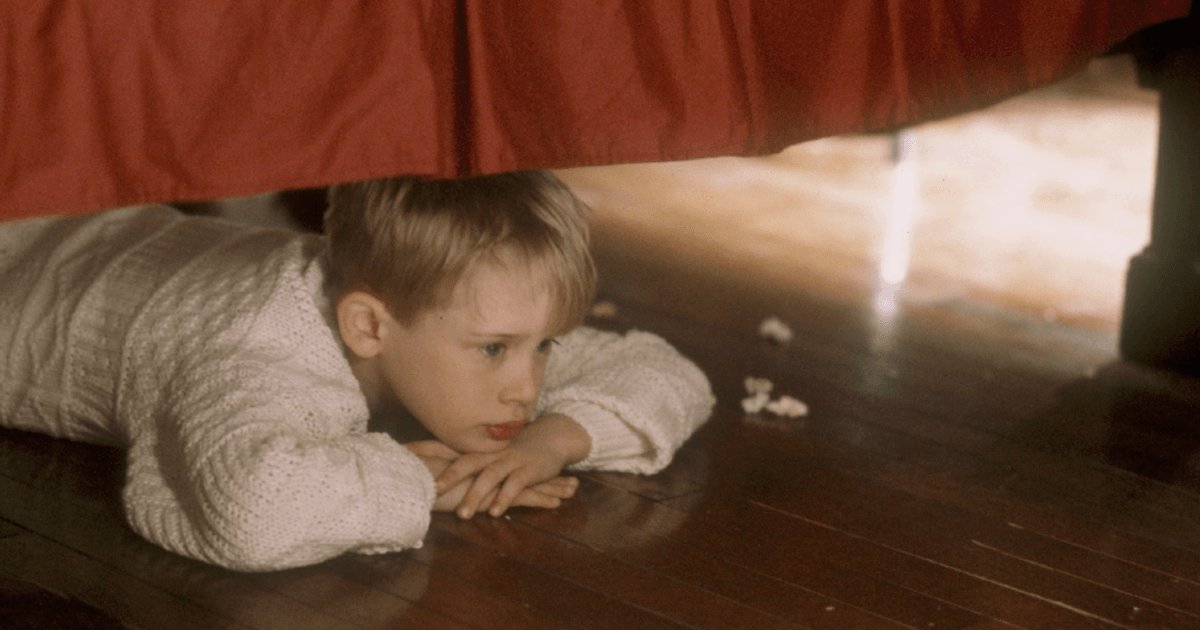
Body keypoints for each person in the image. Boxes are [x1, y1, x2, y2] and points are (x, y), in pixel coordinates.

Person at [0, 171, 714, 571]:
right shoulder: (257, 353)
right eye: (495, 350)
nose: (526, 388)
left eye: (545, 344)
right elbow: (253, 512)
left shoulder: (431, 301)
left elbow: (661, 370)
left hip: (98, 224)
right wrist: (418, 479)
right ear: (368, 326)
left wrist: (550, 441)